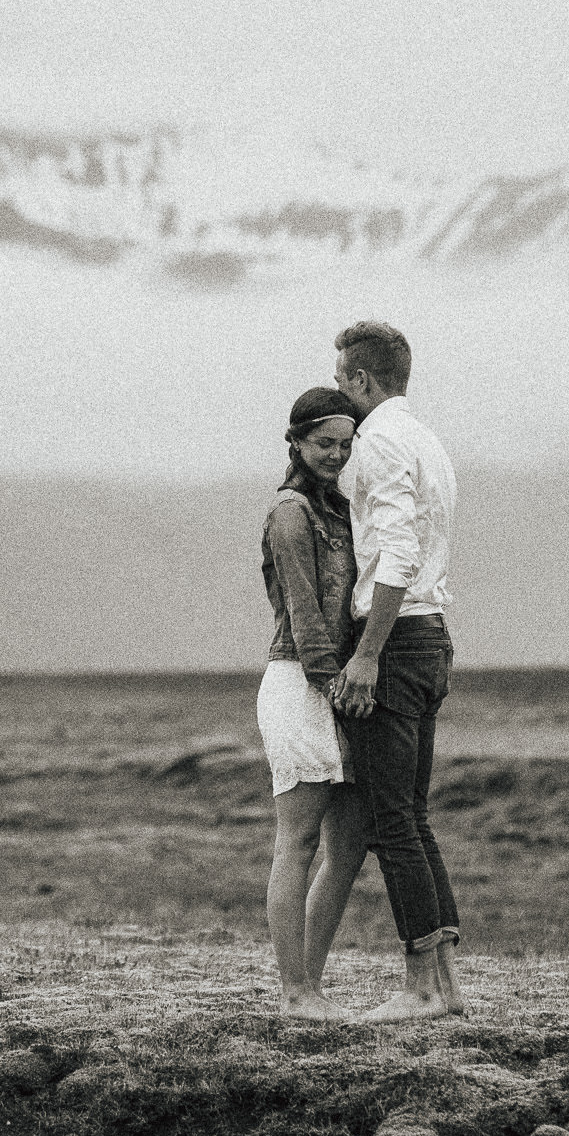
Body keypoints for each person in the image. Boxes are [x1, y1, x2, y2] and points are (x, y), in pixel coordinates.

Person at [327, 321, 465, 1023]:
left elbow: (397, 556)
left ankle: (420, 989)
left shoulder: (380, 439)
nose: (340, 392)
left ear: (360, 380)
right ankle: (446, 983)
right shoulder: (427, 440)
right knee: (414, 815)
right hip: (433, 634)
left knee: (393, 821)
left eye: (342, 379)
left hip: (399, 635)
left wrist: (366, 652)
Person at [257, 387, 372, 1021]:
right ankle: (293, 990)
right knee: (297, 842)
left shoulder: (343, 511)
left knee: (350, 844)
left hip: (346, 688)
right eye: (324, 443)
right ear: (297, 443)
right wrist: (336, 684)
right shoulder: (290, 512)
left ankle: (314, 984)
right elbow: (303, 611)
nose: (335, 455)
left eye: (345, 446)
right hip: (301, 686)